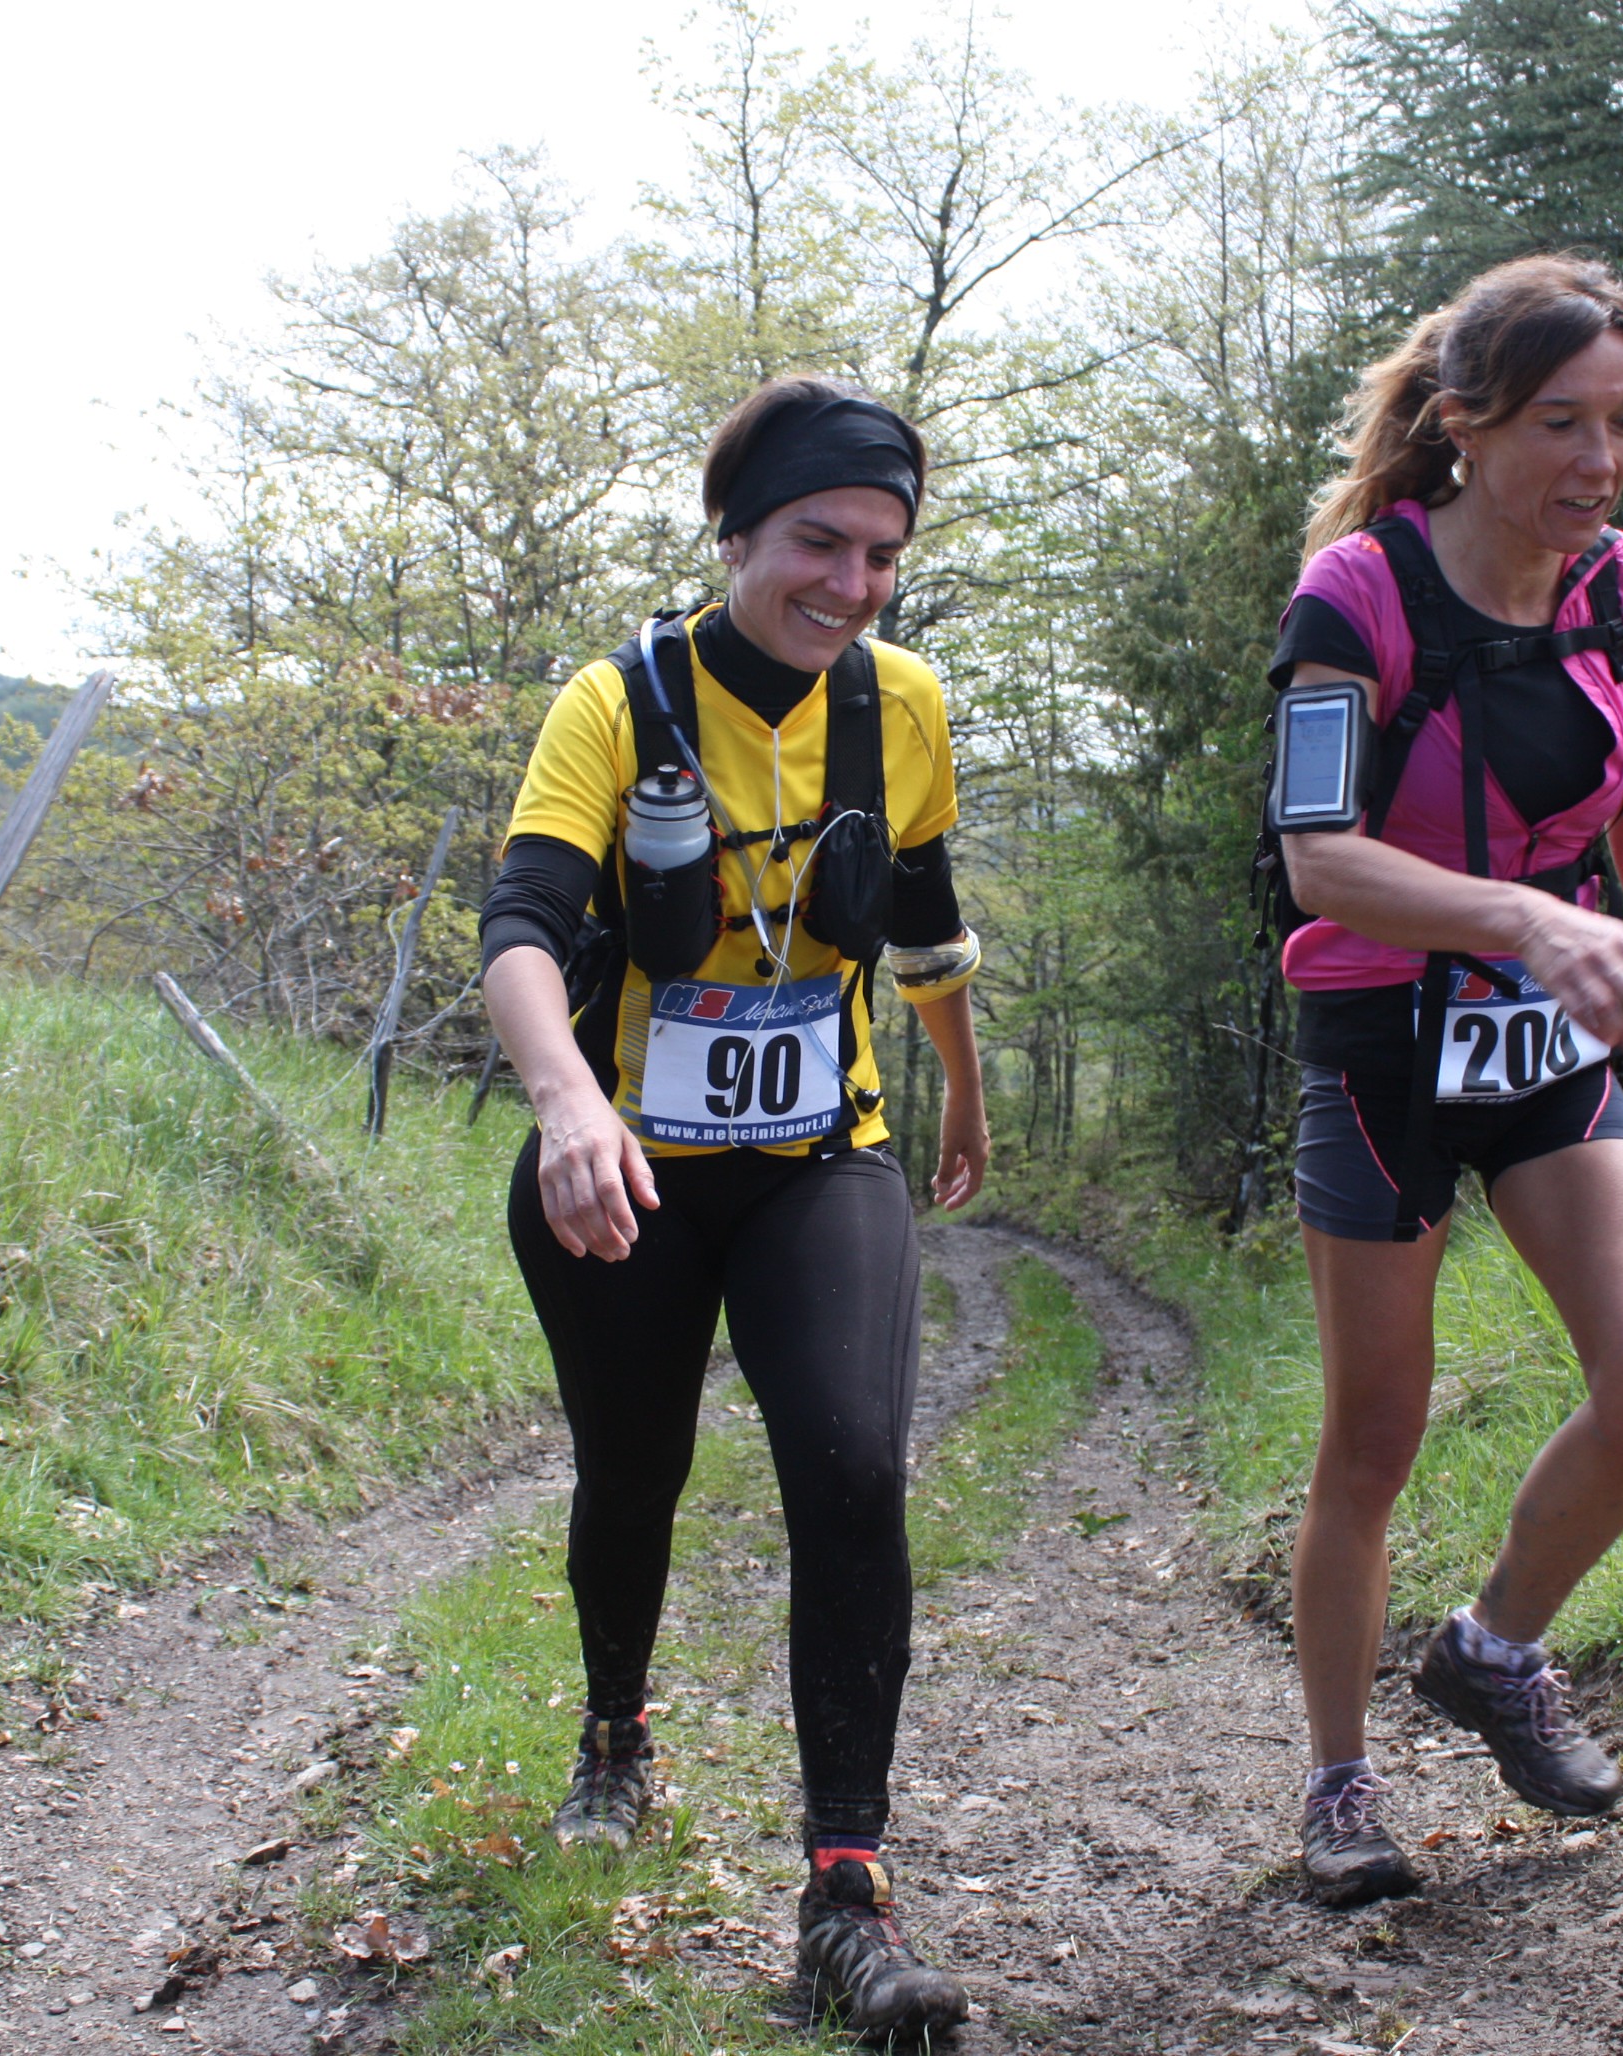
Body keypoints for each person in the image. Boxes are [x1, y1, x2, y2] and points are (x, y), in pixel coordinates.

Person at [476, 376, 991, 2040]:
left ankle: (847, 1892)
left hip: (816, 1159)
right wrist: (564, 1103)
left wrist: (962, 1081)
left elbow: (919, 917)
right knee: (637, 1470)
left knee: (851, 1462)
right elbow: (527, 925)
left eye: (881, 553)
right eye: (816, 543)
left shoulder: (898, 706)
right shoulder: (618, 703)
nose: (847, 583)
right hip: (622, 1164)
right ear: (737, 538)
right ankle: (616, 1727)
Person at [1259, 255, 1623, 1907]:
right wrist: (1524, 918)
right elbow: (1321, 862)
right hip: (1388, 1042)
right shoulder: (1358, 597)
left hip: (1553, 1047)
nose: (1596, 464)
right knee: (1374, 1437)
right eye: (1558, 425)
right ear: (1464, 425)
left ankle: (1492, 1648)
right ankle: (1336, 1787)